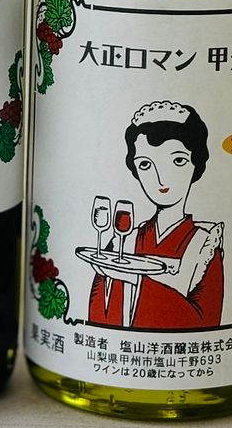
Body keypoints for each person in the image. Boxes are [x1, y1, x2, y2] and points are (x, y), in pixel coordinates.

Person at [88, 101, 223, 329]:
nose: (161, 178)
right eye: (145, 164)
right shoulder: (125, 240)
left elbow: (206, 321)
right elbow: (98, 313)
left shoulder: (203, 246)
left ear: (196, 164)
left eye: (178, 161)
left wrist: (135, 279)